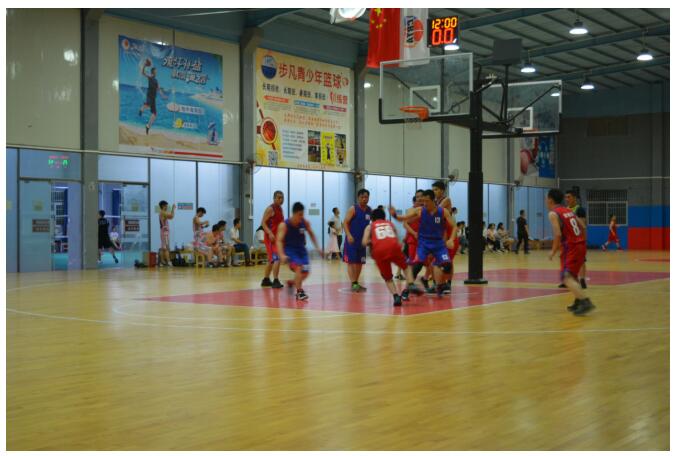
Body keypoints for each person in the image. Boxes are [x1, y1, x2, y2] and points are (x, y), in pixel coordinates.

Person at [390, 190, 456, 297]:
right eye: (423, 201)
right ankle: (406, 291)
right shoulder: (420, 210)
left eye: (427, 201)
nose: (424, 203)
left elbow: (454, 227)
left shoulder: (443, 212)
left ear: (433, 200)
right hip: (424, 243)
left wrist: (451, 239)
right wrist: (394, 215)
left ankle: (439, 285)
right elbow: (404, 219)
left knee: (447, 266)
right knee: (417, 266)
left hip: (438, 244)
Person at [546, 188, 594, 315]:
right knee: (572, 276)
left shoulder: (553, 213)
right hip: (580, 245)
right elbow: (583, 226)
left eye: (546, 199)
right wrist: (581, 241)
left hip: (571, 247)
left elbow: (557, 234)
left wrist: (553, 251)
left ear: (550, 200)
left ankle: (584, 301)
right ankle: (578, 300)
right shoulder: (568, 210)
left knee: (566, 277)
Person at [362, 208, 421, 306]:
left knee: (387, 277)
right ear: (384, 217)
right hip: (394, 247)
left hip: (379, 251)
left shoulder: (370, 226)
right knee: (406, 267)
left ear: (372, 218)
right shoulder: (390, 223)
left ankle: (396, 296)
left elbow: (364, 242)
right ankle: (411, 284)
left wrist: (373, 241)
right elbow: (396, 237)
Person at [276, 202, 323, 301]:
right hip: (290, 251)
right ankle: (299, 292)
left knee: (305, 273)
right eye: (299, 215)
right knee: (299, 267)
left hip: (302, 251)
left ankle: (292, 283)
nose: (301, 217)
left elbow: (311, 234)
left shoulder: (304, 222)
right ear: (294, 213)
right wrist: (281, 255)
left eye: (302, 214)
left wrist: (318, 248)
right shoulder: (284, 225)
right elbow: (279, 241)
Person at [343, 189, 372, 292]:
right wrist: (348, 235)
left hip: (362, 241)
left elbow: (371, 225)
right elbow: (345, 223)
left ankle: (356, 282)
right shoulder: (353, 209)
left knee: (360, 262)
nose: (364, 199)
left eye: (366, 197)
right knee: (351, 262)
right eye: (362, 197)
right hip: (352, 241)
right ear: (358, 198)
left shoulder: (369, 210)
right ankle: (353, 283)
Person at [564, 190, 588, 289]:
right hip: (568, 240)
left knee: (581, 260)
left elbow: (583, 226)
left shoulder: (579, 209)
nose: (567, 199)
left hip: (578, 240)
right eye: (566, 197)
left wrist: (584, 240)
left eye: (569, 197)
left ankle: (582, 279)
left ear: (574, 198)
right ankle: (568, 279)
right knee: (567, 260)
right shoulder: (565, 210)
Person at [261, 191, 285, 288]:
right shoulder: (270, 209)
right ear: (274, 198)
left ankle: (266, 279)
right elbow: (263, 223)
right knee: (276, 258)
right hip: (270, 238)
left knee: (271, 259)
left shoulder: (280, 209)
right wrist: (269, 233)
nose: (281, 199)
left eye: (282, 198)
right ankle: (275, 280)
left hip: (277, 238)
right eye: (279, 198)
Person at [138, 62, 168, 135]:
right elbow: (142, 73)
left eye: (156, 72)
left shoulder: (156, 81)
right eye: (155, 71)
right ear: (153, 72)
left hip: (153, 98)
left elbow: (158, 89)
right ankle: (141, 109)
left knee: (154, 114)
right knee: (148, 105)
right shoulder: (150, 77)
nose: (156, 72)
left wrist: (163, 95)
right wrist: (144, 65)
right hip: (149, 96)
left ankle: (148, 126)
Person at [158, 200, 175, 266]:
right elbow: (171, 216)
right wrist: (173, 208)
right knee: (166, 247)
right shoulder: (163, 212)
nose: (167, 207)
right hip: (165, 232)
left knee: (163, 247)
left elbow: (169, 217)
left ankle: (162, 261)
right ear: (163, 206)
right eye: (166, 206)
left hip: (163, 231)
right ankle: (168, 261)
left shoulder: (162, 213)